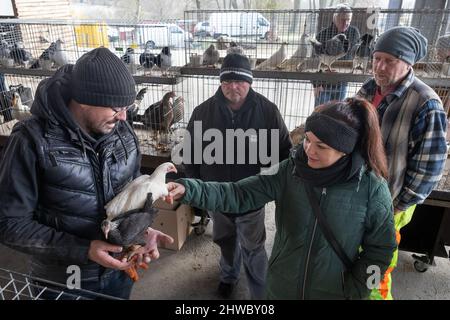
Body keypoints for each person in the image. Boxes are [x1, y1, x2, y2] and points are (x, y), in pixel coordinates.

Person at [169, 98, 397, 300]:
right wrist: (190, 188)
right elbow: (239, 193)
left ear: (345, 150)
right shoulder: (289, 170)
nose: (309, 150)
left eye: (321, 146)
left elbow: (380, 250)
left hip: (334, 292)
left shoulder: (371, 189)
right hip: (281, 287)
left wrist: (360, 290)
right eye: (307, 140)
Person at [0, 47, 173, 299]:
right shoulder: (31, 140)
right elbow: (8, 223)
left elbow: (131, 201)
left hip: (119, 271)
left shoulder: (124, 134)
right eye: (115, 107)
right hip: (63, 280)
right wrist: (84, 250)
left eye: (127, 106)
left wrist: (139, 233)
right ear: (84, 99)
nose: (124, 116)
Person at [183, 53, 292, 299]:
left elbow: (284, 151)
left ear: (250, 82)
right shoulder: (203, 112)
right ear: (220, 82)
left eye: (240, 81)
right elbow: (189, 152)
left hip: (251, 195)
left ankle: (260, 294)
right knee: (225, 241)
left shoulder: (267, 111)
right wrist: (196, 189)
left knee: (253, 246)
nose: (233, 86)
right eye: (227, 81)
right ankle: (228, 276)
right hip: (217, 194)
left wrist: (272, 185)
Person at [356, 26, 448, 300]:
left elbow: (430, 169)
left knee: (376, 264)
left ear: (408, 63)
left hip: (391, 199)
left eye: (390, 61)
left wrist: (396, 205)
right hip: (359, 193)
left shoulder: (425, 103)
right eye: (377, 58)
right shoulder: (369, 88)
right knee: (352, 253)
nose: (380, 67)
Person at [313, 4, 360, 106]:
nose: (346, 22)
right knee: (321, 115)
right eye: (342, 19)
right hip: (324, 84)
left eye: (348, 19)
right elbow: (314, 60)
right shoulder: (322, 35)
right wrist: (316, 84)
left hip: (341, 83)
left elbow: (356, 52)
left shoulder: (354, 33)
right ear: (334, 19)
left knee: (337, 114)